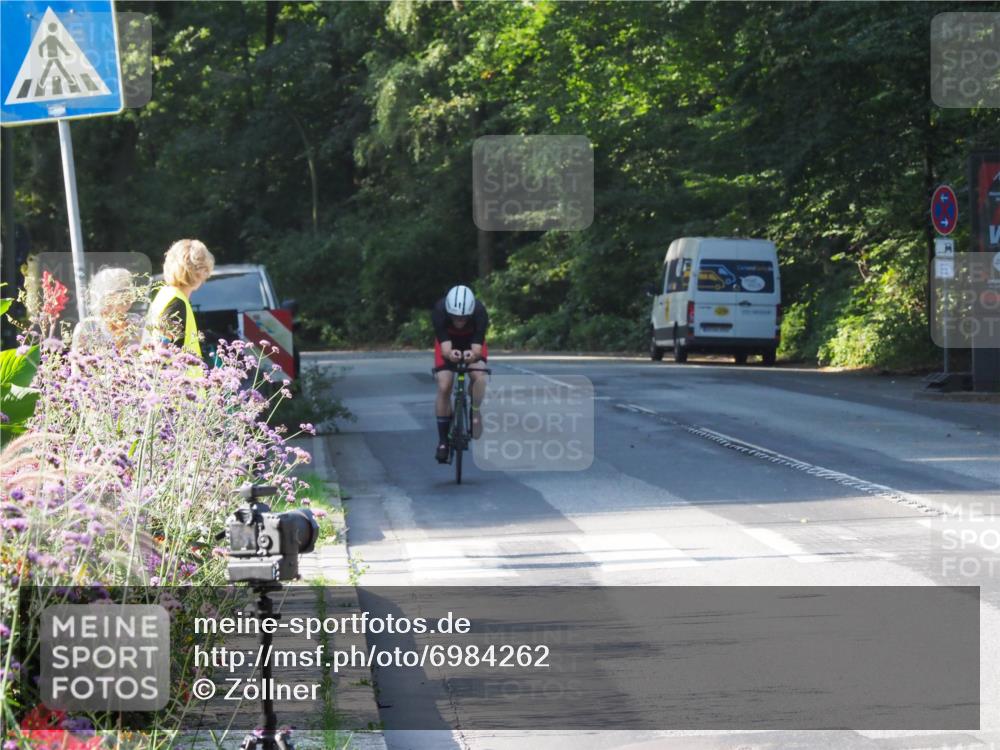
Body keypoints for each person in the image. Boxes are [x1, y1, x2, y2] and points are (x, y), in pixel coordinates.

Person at [432, 285, 489, 463]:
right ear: (449, 312)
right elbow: (445, 349)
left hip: (472, 341)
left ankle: (475, 410)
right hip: (448, 342)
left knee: (479, 377)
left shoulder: (480, 311)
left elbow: (477, 350)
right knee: (444, 385)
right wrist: (450, 355)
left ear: (471, 312)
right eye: (455, 317)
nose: (459, 321)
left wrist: (473, 355)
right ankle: (443, 441)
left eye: (464, 318)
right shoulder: (439, 310)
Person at [144, 239, 215, 360]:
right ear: (201, 271)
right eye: (205, 269)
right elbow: (161, 352)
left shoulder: (165, 294)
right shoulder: (177, 303)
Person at [71, 267, 143, 355]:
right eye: (122, 290)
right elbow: (77, 360)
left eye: (130, 289)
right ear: (105, 295)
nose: (129, 294)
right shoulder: (87, 326)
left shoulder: (137, 321)